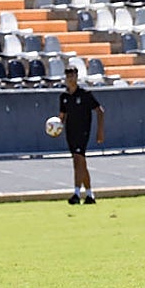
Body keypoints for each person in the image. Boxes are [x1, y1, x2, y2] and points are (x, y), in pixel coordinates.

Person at [59, 66, 104, 204]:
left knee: (79, 159)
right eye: (68, 76)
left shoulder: (85, 94)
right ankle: (90, 195)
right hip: (70, 132)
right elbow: (62, 116)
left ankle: (77, 194)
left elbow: (100, 111)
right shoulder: (64, 97)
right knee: (79, 163)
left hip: (82, 131)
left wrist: (100, 131)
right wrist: (56, 127)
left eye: (72, 75)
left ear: (77, 77)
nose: (70, 79)